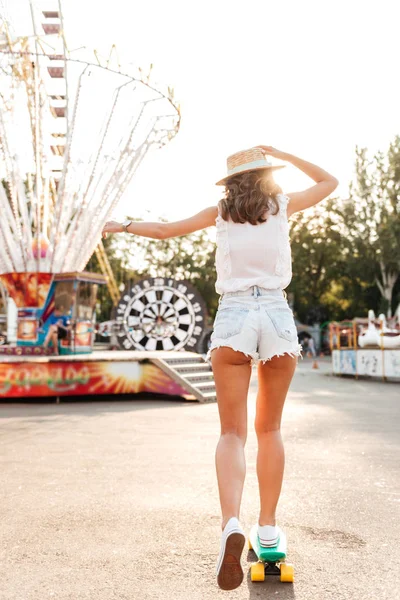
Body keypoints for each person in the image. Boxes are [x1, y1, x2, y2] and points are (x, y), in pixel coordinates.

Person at [102, 145, 338, 591]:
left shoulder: (220, 214)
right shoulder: (283, 205)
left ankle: (232, 522)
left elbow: (167, 230)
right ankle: (267, 529)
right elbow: (330, 182)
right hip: (276, 317)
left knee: (232, 433)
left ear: (230, 183)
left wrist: (123, 225)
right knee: (270, 431)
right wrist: (286, 153)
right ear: (269, 176)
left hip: (233, 318)